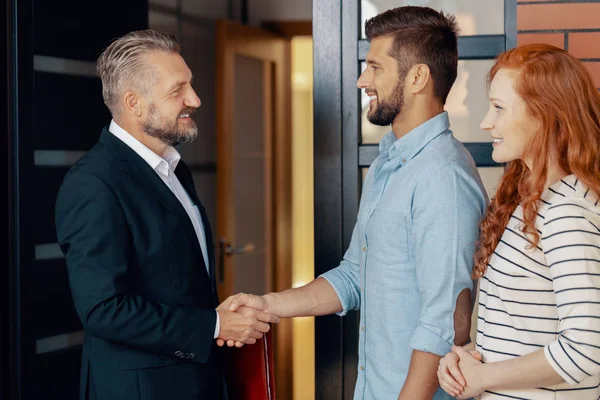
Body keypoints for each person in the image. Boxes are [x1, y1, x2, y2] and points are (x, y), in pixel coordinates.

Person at [223, 6, 488, 399]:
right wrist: (267, 305)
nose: (363, 79)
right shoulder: (387, 164)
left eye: (375, 67)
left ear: (417, 77)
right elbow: (353, 277)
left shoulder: (442, 176)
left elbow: (444, 322)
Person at [54, 30, 278, 400]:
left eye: (190, 85)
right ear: (134, 103)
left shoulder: (174, 169)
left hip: (198, 381)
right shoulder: (93, 183)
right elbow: (103, 309)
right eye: (178, 89)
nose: (195, 99)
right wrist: (217, 323)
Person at [437, 44, 600, 399]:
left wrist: (483, 377)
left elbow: (587, 350)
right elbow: (522, 328)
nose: (485, 122)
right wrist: (467, 360)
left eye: (498, 108)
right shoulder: (529, 200)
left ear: (546, 114)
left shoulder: (566, 214)